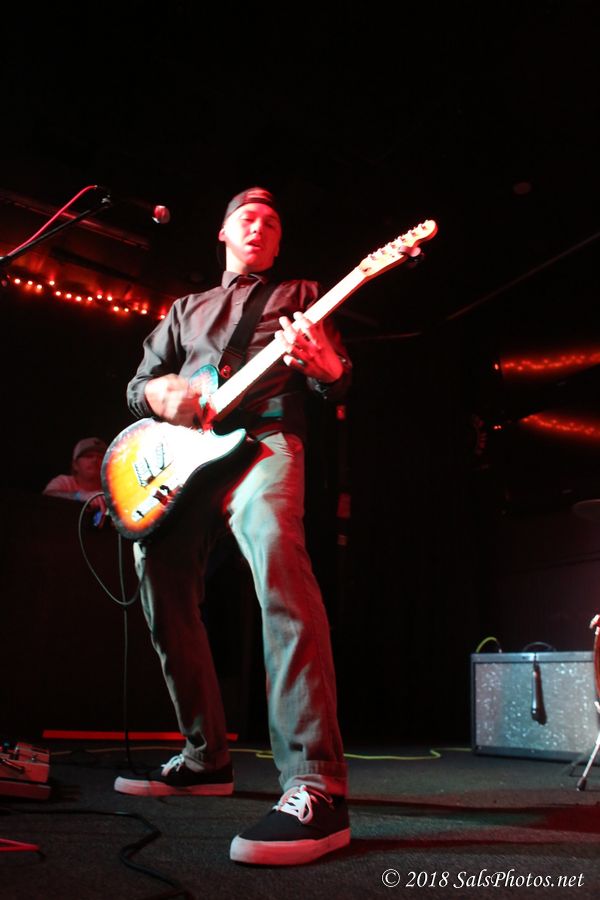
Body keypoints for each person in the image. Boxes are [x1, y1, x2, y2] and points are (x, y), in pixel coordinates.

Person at [112, 186, 352, 866]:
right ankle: (204, 759)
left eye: (272, 222)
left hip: (267, 440)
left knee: (278, 557)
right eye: (248, 217)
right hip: (188, 457)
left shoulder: (303, 294)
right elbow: (139, 385)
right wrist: (159, 392)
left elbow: (334, 379)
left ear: (279, 242)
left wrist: (331, 371)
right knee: (158, 580)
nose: (260, 226)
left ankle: (317, 785)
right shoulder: (184, 309)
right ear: (223, 232)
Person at [43, 437, 107, 512]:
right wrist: (79, 496)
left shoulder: (111, 488)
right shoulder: (64, 481)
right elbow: (47, 496)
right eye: (89, 456)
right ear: (75, 464)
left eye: (100, 457)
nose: (95, 460)